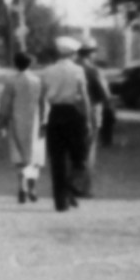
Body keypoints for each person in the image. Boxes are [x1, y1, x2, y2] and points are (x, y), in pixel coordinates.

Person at [40, 36, 91, 212]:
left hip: (54, 114)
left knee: (57, 159)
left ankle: (60, 200)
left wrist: (41, 120)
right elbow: (84, 97)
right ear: (72, 54)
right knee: (79, 157)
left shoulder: (47, 71)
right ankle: (69, 188)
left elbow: (42, 99)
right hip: (73, 114)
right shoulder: (78, 71)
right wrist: (88, 119)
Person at [0, 52, 47, 204]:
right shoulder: (38, 80)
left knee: (20, 156)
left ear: (15, 64)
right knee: (34, 157)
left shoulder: (11, 81)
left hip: (16, 121)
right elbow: (44, 103)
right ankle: (32, 188)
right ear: (30, 64)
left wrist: (1, 121)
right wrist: (45, 120)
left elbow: (5, 103)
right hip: (36, 121)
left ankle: (22, 186)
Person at [75, 38, 111, 197]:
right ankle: (85, 188)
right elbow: (105, 94)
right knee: (89, 151)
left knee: (72, 150)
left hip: (71, 111)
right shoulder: (94, 70)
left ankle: (71, 184)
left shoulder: (72, 68)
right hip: (91, 112)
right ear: (92, 53)